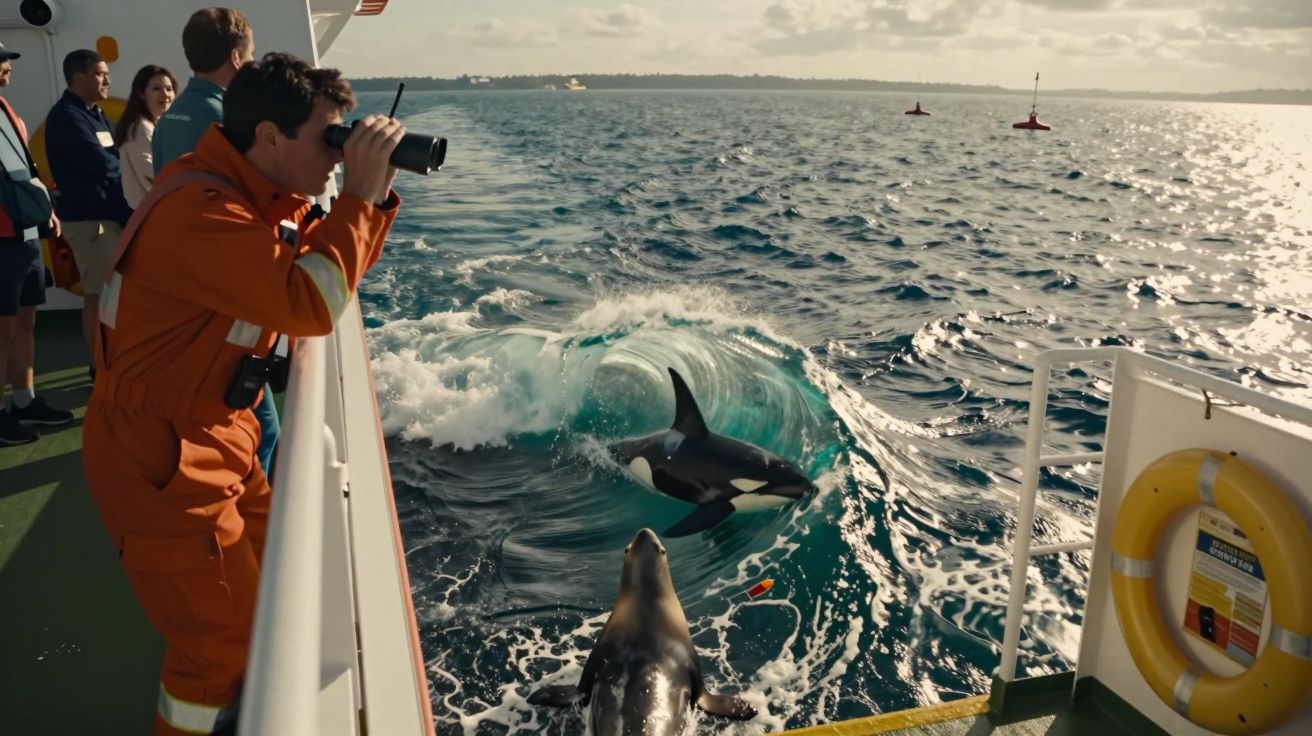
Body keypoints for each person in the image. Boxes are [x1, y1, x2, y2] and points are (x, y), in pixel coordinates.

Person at [82, 52, 404, 735]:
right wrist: (357, 198)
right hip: (161, 455)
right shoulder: (202, 212)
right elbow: (310, 302)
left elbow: (327, 271)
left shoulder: (239, 194)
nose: (336, 158)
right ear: (267, 137)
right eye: (328, 139)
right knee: (216, 644)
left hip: (218, 433)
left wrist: (368, 201)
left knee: (269, 597)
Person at [152, 8, 281, 479]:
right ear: (234, 56)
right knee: (262, 429)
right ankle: (257, 527)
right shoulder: (225, 118)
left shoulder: (170, 116)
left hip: (179, 285)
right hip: (224, 293)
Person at [0, 42, 73, 444]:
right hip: (2, 239)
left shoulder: (8, 114)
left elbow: (24, 171)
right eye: (1, 61)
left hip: (25, 234)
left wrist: (46, 210)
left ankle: (24, 401)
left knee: (27, 322)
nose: (7, 66)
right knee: (2, 329)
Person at [43, 49, 133, 364]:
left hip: (109, 218)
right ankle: (101, 366)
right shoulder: (67, 117)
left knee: (113, 293)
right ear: (78, 78)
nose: (107, 79)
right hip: (90, 223)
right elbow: (102, 164)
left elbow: (112, 155)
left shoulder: (93, 113)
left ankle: (113, 358)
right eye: (99, 73)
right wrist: (129, 168)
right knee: (98, 294)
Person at [152, 7, 254, 173]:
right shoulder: (227, 119)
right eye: (251, 53)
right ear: (235, 58)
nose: (252, 60)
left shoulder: (167, 118)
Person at [116, 64, 178, 208]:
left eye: (169, 89)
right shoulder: (140, 128)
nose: (165, 94)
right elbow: (151, 175)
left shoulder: (157, 125)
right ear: (141, 93)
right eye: (156, 88)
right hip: (153, 211)